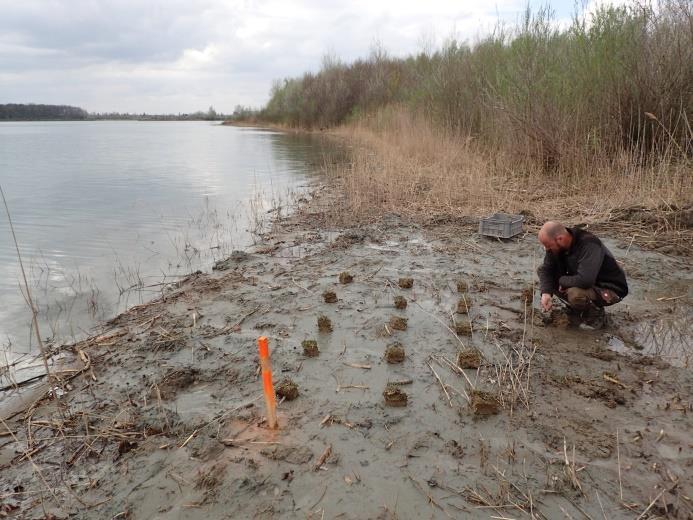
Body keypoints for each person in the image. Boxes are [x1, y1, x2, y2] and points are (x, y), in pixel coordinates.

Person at [537, 221, 628, 327]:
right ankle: (576, 308)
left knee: (575, 294)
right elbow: (546, 269)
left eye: (548, 246)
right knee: (543, 273)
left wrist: (562, 281)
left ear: (560, 239)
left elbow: (586, 280)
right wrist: (546, 293)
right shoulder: (556, 246)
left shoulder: (589, 244)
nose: (547, 249)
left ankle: (595, 314)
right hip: (585, 282)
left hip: (610, 288)